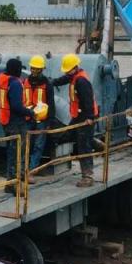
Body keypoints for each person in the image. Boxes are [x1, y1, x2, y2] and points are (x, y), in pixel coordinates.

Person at [53, 53, 99, 187]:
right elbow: (64, 79)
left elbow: (88, 100)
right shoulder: (73, 76)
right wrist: (52, 82)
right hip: (77, 116)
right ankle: (94, 142)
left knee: (83, 146)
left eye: (68, 70)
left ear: (75, 67)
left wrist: (90, 118)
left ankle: (88, 176)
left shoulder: (81, 81)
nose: (67, 72)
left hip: (85, 118)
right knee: (67, 136)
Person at [0, 57, 34, 194]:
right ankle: (16, 186)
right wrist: (30, 112)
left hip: (6, 121)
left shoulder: (3, 79)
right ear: (17, 70)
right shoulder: (15, 83)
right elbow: (16, 106)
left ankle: (9, 183)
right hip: (16, 123)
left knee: (12, 153)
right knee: (19, 154)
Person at [25, 55, 54, 173]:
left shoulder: (47, 84)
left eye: (37, 69)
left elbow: (51, 103)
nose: (34, 71)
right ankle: (23, 168)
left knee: (38, 145)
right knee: (26, 144)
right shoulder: (25, 81)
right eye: (33, 68)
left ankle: (32, 170)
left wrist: (49, 122)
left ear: (42, 69)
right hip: (27, 118)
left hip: (42, 120)